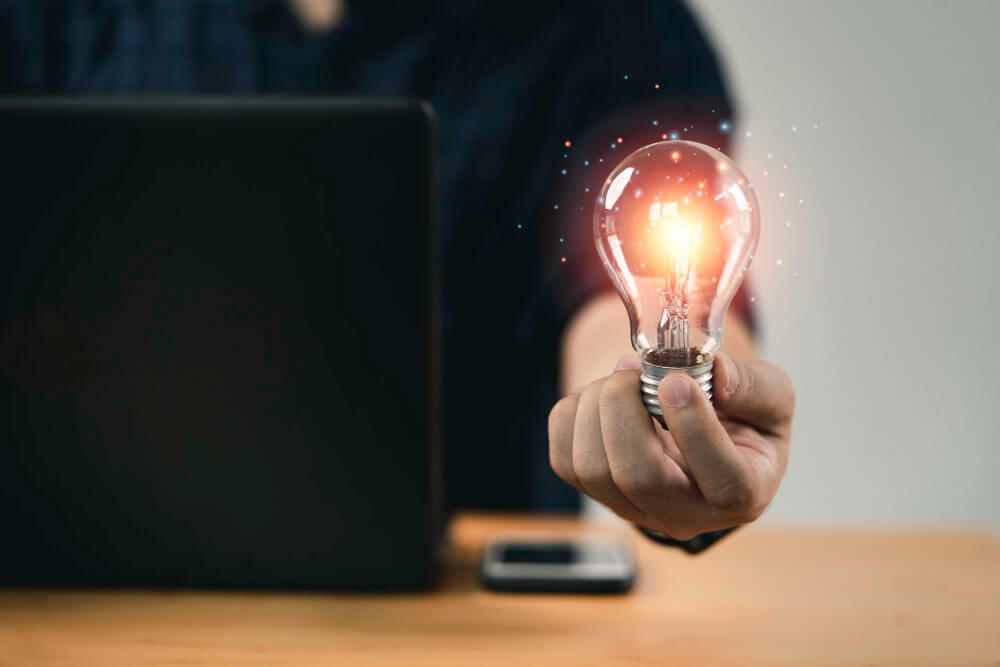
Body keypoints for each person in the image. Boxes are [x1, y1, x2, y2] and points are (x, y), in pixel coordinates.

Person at [0, 0, 793, 551]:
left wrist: (674, 431)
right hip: (80, 597)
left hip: (462, 624)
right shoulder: (55, 15)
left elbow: (616, 306)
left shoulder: (610, 31)